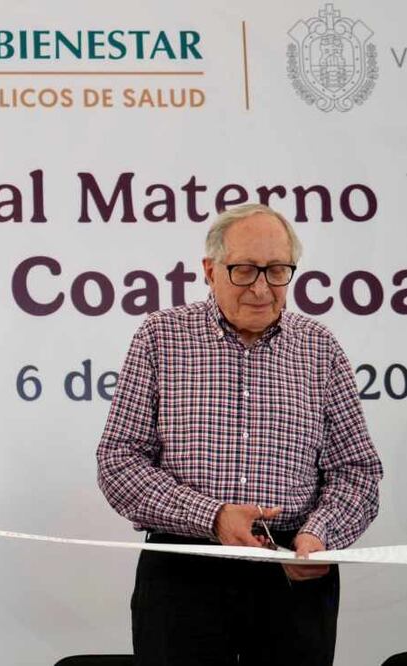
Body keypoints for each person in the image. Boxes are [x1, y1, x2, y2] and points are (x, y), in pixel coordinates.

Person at [96, 203, 382, 665]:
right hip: (184, 571)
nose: (261, 288)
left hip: (294, 573)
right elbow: (119, 461)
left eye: (277, 271)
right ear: (210, 271)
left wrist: (318, 535)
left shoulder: (320, 348)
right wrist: (213, 517)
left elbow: (357, 472)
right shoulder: (160, 336)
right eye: (245, 270)